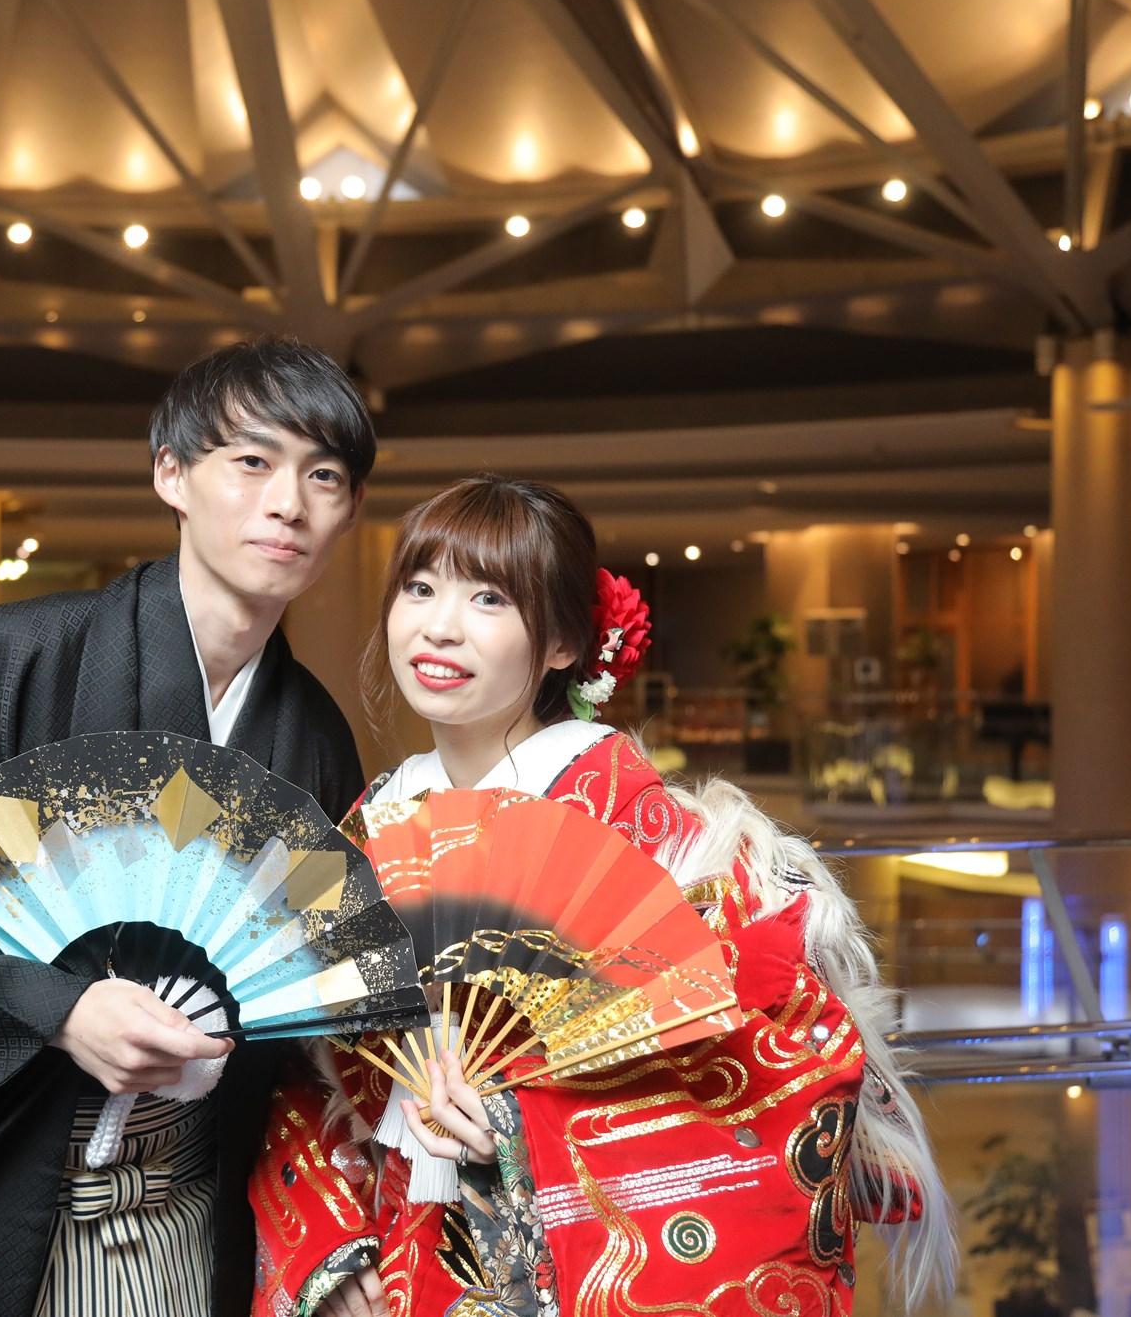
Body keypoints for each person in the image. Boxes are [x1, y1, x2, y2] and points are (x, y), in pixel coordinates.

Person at [250, 476, 955, 1316]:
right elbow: (298, 1067)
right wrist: (334, 1249)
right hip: (401, 1264)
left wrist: (519, 1124)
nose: (439, 625)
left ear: (561, 643)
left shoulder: (671, 846)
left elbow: (780, 1070)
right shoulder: (372, 827)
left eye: (488, 598)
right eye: (420, 587)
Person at [0, 337, 377, 1317]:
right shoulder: (11, 660)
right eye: (252, 461)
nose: (288, 503)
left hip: (196, 1202)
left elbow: (316, 995)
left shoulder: (313, 735)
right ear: (171, 473)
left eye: (324, 477)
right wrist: (55, 1009)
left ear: (349, 512)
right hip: (14, 1190)